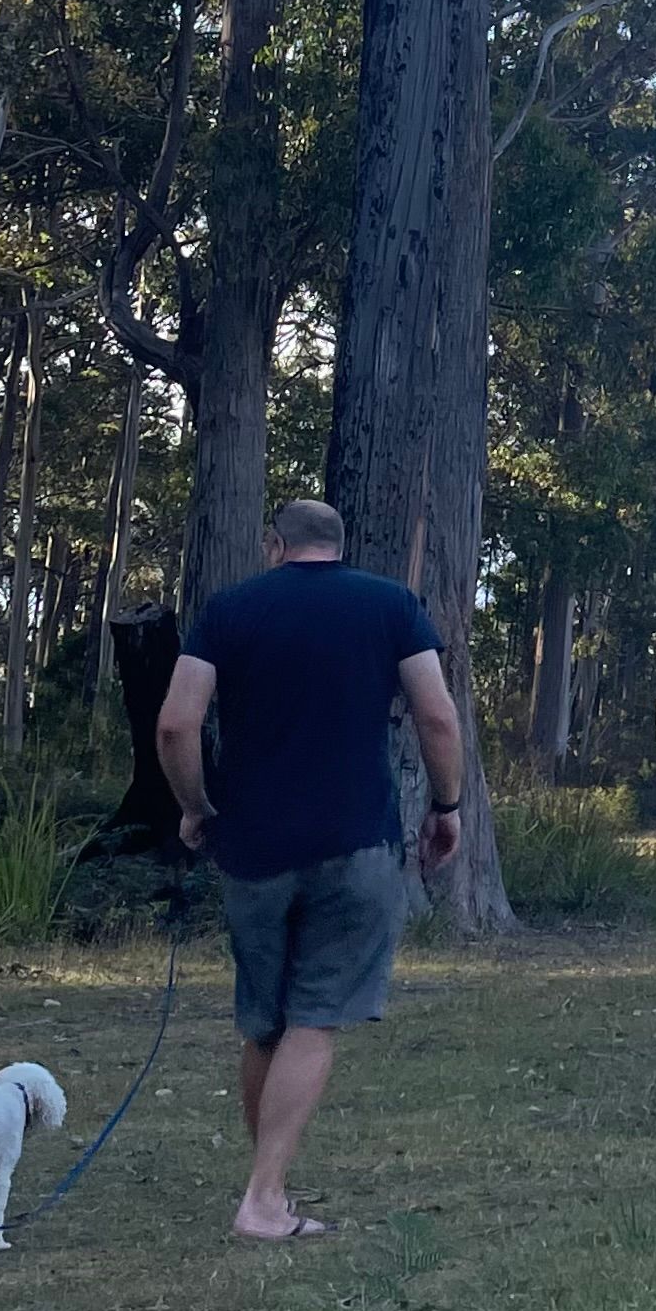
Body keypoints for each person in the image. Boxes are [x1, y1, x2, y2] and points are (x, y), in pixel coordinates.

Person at [156, 498, 463, 1242]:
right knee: (317, 1015)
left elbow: (176, 722)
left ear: (276, 544)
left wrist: (194, 807)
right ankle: (264, 1198)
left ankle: (267, 1186)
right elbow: (438, 716)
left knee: (265, 1020)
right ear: (338, 545)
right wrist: (446, 804)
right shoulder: (390, 604)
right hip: (355, 842)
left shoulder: (230, 610)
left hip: (252, 847)